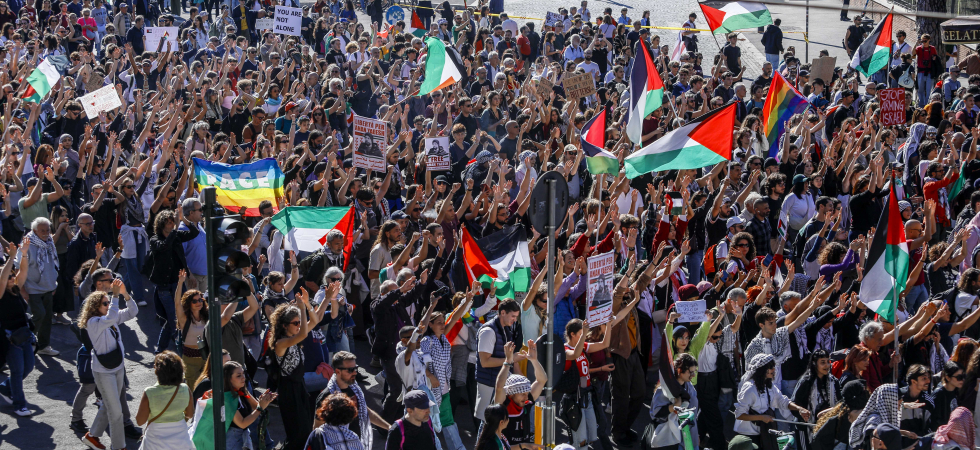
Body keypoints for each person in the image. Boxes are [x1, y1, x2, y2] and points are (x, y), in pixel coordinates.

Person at [79, 280, 141, 450]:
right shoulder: (93, 322)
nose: (108, 305)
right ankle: (118, 447)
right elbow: (112, 317)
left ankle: (92, 437)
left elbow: (133, 312)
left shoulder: (110, 318)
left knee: (109, 405)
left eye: (108, 303)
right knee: (116, 412)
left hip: (118, 367)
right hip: (103, 372)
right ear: (95, 307)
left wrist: (125, 294)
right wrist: (115, 296)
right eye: (105, 303)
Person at [735, 354, 812, 449]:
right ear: (762, 369)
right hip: (749, 436)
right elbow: (739, 415)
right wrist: (761, 417)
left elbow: (782, 401)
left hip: (765, 433)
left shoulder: (769, 386)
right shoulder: (749, 388)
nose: (774, 370)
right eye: (771, 367)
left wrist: (799, 409)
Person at [0, 240, 35, 417]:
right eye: (9, 276)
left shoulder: (15, 289)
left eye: (13, 275)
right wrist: (11, 257)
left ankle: (4, 388)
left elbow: (24, 272)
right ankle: (19, 405)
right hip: (10, 339)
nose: (12, 278)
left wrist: (24, 254)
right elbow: (2, 279)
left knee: (28, 367)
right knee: (17, 371)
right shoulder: (1, 294)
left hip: (24, 335)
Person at [134, 351, 195, 450]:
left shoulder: (149, 392)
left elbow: (140, 421)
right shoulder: (185, 389)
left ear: (157, 370)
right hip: (180, 442)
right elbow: (190, 414)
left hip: (154, 443)